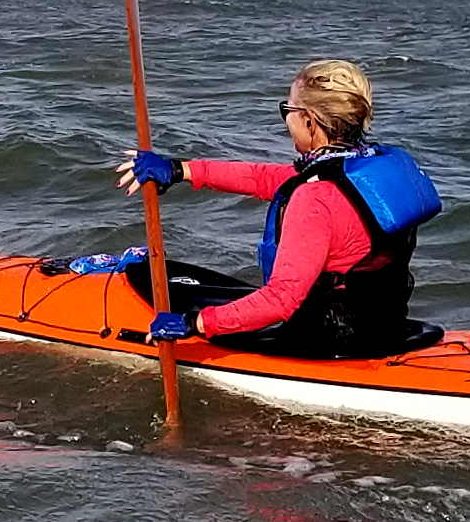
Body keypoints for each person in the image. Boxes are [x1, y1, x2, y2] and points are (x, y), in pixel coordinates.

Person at [115, 58, 444, 360]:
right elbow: (266, 178)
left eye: (287, 109)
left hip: (329, 340)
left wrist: (194, 324)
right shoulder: (374, 167)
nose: (285, 119)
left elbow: (281, 300)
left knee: (194, 303)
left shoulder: (315, 198)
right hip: (386, 325)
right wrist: (181, 170)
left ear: (310, 121)